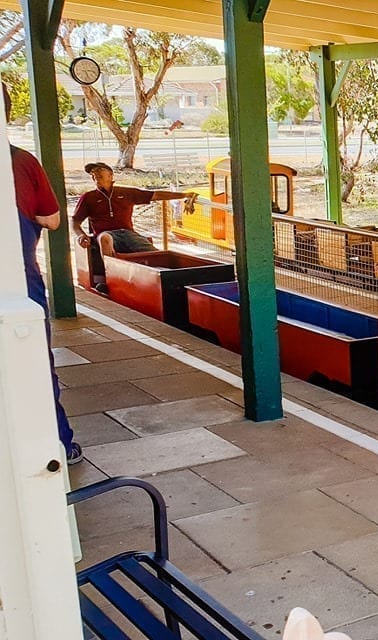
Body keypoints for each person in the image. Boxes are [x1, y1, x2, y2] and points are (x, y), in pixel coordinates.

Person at [4, 84, 80, 463]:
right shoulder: (20, 161)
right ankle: (59, 444)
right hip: (18, 279)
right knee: (34, 363)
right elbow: (51, 219)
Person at [71, 162, 195, 293]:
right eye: (93, 175)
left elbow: (155, 195)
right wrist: (80, 235)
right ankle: (109, 280)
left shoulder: (125, 192)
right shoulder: (88, 197)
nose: (96, 176)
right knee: (105, 238)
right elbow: (75, 221)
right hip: (104, 234)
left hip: (128, 233)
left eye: (100, 173)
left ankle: (172, 276)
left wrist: (184, 195)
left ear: (110, 175)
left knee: (151, 252)